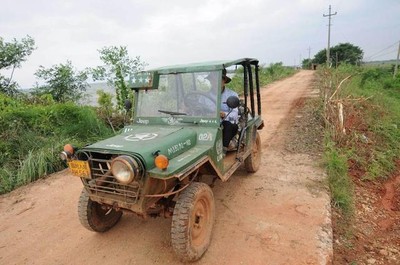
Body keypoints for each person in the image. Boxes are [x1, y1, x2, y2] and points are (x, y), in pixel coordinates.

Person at [219, 70, 239, 151]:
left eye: (217, 79)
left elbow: (234, 115)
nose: (214, 82)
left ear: (224, 81)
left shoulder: (232, 95)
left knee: (227, 125)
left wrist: (224, 114)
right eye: (212, 79)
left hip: (226, 124)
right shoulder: (205, 97)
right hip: (210, 122)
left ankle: (224, 149)